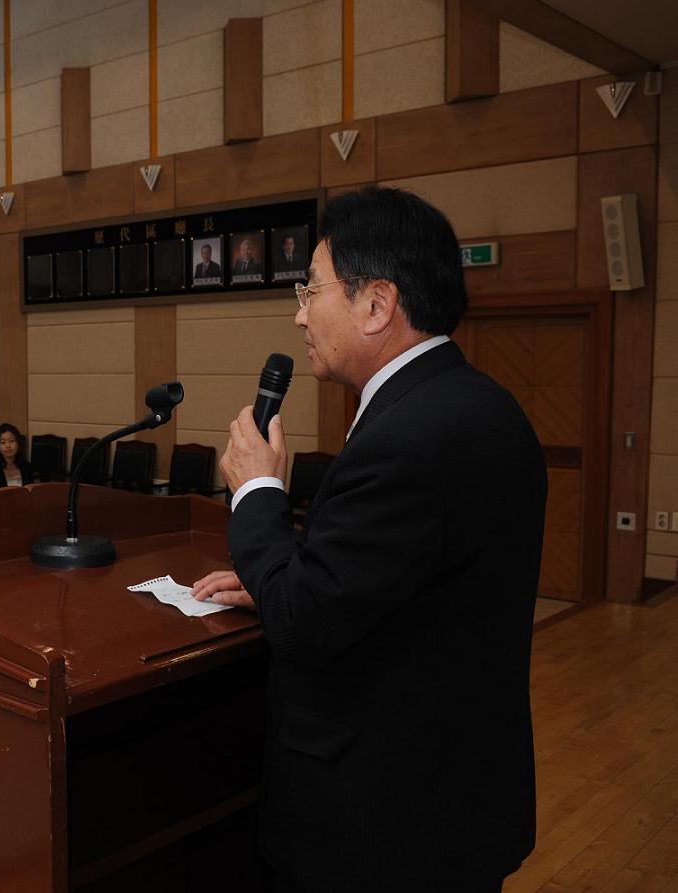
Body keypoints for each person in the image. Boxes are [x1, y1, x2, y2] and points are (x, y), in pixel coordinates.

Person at [190, 187, 547, 892]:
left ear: (376, 304)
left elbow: (306, 622)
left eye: (310, 289)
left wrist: (257, 489)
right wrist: (281, 579)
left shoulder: (406, 439)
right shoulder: (483, 406)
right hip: (456, 798)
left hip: (383, 825)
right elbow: (403, 584)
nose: (298, 314)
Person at [0, 423, 34, 490]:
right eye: (3, 442)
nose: (8, 446)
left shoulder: (26, 466)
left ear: (18, 443)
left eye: (11, 441)